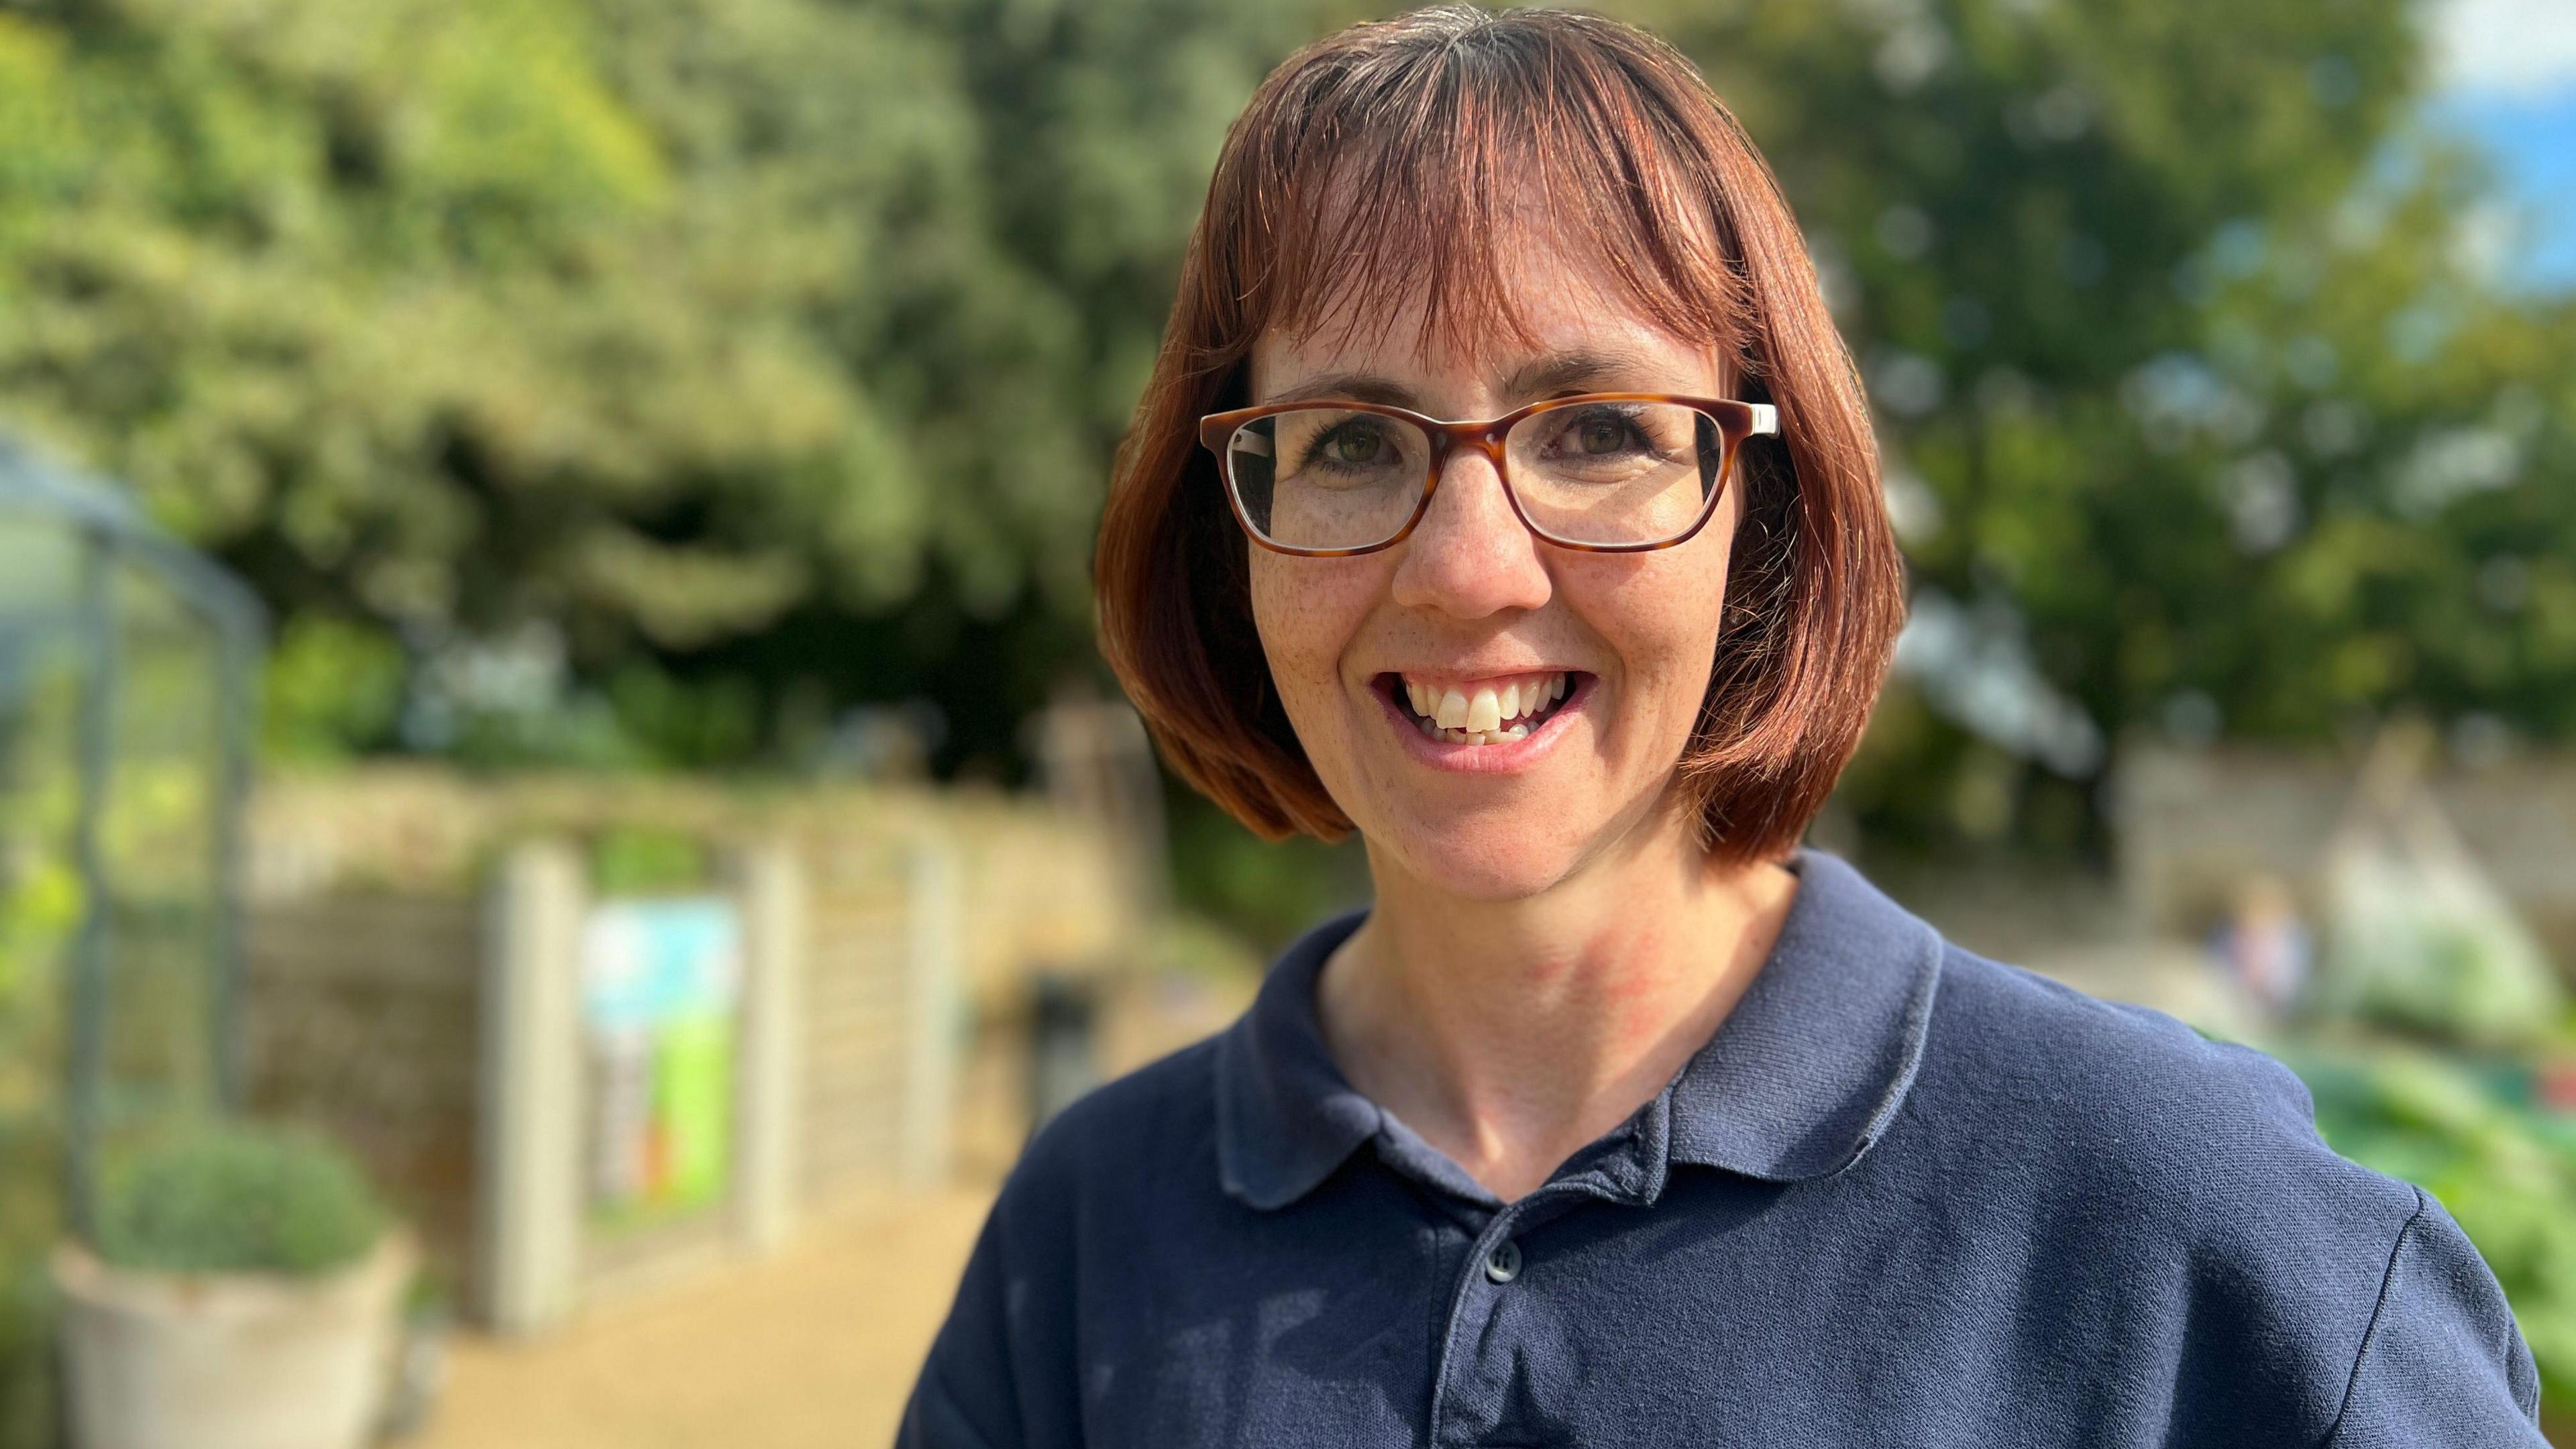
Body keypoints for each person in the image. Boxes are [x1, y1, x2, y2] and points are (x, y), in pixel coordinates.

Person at [900, 8, 2545, 1446]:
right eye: (1347, 441)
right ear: (1230, 536)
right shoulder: (1089, 1236)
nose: (1469, 569)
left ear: (1761, 511)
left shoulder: (2184, 1223)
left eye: (1600, 428)